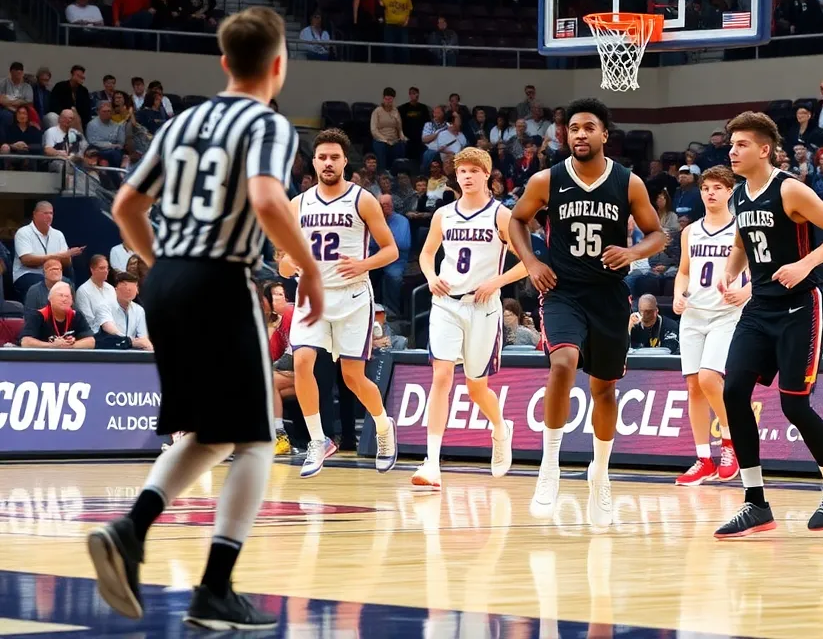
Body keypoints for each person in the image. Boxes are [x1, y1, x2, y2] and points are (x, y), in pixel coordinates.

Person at [87, 7, 323, 629]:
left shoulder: (184, 121)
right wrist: (311, 268)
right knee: (258, 433)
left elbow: (125, 205)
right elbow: (270, 199)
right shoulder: (267, 124)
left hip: (165, 282)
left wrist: (165, 265)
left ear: (224, 63)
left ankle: (132, 529)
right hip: (221, 280)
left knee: (213, 433)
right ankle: (215, 587)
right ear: (279, 65)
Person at [507, 98, 666, 529]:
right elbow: (516, 221)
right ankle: (550, 464)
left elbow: (658, 234)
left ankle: (600, 473)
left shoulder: (629, 183)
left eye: (588, 127)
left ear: (603, 135)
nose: (579, 134)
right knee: (562, 362)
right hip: (562, 292)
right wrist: (534, 263)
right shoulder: (547, 179)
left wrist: (632, 251)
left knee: (603, 390)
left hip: (610, 296)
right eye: (573, 127)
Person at [710, 111, 823, 539]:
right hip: (759, 307)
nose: (732, 151)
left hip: (798, 307)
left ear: (764, 150)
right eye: (731, 145)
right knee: (733, 391)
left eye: (741, 145)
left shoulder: (789, 189)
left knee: (793, 405)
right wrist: (731, 271)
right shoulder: (739, 195)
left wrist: (805, 262)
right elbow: (742, 241)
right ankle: (755, 502)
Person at [278, 128, 400, 479]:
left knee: (352, 377)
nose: (328, 163)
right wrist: (290, 264)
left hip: (352, 297)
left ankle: (382, 424)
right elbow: (283, 260)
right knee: (302, 361)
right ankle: (319, 440)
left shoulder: (363, 199)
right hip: (311, 295)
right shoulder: (297, 204)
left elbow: (391, 250)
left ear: (345, 161)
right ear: (313, 162)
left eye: (334, 157)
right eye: (322, 157)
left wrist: (363, 263)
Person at [413, 147, 528, 489]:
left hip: (484, 306)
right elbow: (426, 253)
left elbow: (528, 262)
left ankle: (500, 427)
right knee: (441, 376)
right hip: (447, 303)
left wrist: (498, 281)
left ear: (486, 175)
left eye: (473, 170)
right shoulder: (443, 214)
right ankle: (431, 462)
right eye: (461, 170)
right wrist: (431, 276)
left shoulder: (501, 215)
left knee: (476, 388)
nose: (466, 175)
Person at [671, 165, 748, 486]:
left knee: (709, 378)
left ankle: (731, 443)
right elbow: (684, 271)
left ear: (730, 191)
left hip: (726, 314)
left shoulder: (740, 228)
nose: (711, 193)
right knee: (693, 387)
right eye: (706, 188)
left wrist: (745, 291)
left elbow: (759, 271)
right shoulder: (690, 231)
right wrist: (678, 294)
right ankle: (703, 458)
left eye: (718, 187)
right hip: (693, 314)